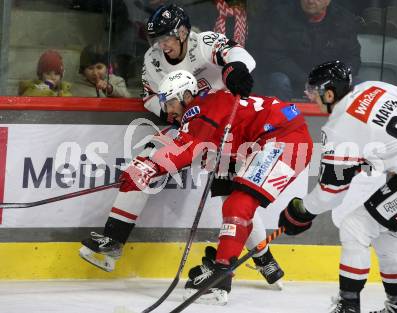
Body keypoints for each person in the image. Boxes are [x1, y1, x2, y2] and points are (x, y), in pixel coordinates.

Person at [79, 3, 286, 289]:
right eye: (157, 39)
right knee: (147, 161)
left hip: (224, 127)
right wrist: (171, 110)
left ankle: (264, 259)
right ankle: (113, 240)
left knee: (234, 196)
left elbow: (242, 56)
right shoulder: (153, 60)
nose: (162, 45)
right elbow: (149, 97)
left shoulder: (203, 43)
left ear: (183, 31)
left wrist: (235, 69)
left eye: (167, 37)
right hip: (190, 126)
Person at [83, 70, 313, 304]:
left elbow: (189, 145)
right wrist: (152, 167)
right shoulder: (208, 109)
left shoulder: (202, 107)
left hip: (283, 139)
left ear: (186, 95)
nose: (169, 110)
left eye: (171, 102)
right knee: (232, 201)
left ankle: (220, 278)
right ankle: (263, 262)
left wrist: (150, 167)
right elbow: (198, 146)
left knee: (238, 205)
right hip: (261, 143)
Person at [278, 60, 397, 313]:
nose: (311, 97)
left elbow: (331, 193)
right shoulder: (373, 87)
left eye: (314, 91)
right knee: (388, 241)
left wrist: (300, 211)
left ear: (329, 93)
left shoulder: (339, 128)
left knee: (354, 227)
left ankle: (348, 307)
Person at [259, 0, 361, 101]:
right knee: (278, 80)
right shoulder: (282, 16)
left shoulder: (343, 20)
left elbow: (352, 58)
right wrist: (306, 80)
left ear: (328, 1)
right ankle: (287, 116)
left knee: (359, 85)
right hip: (295, 81)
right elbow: (274, 55)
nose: (310, 1)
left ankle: (339, 117)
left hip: (330, 85)